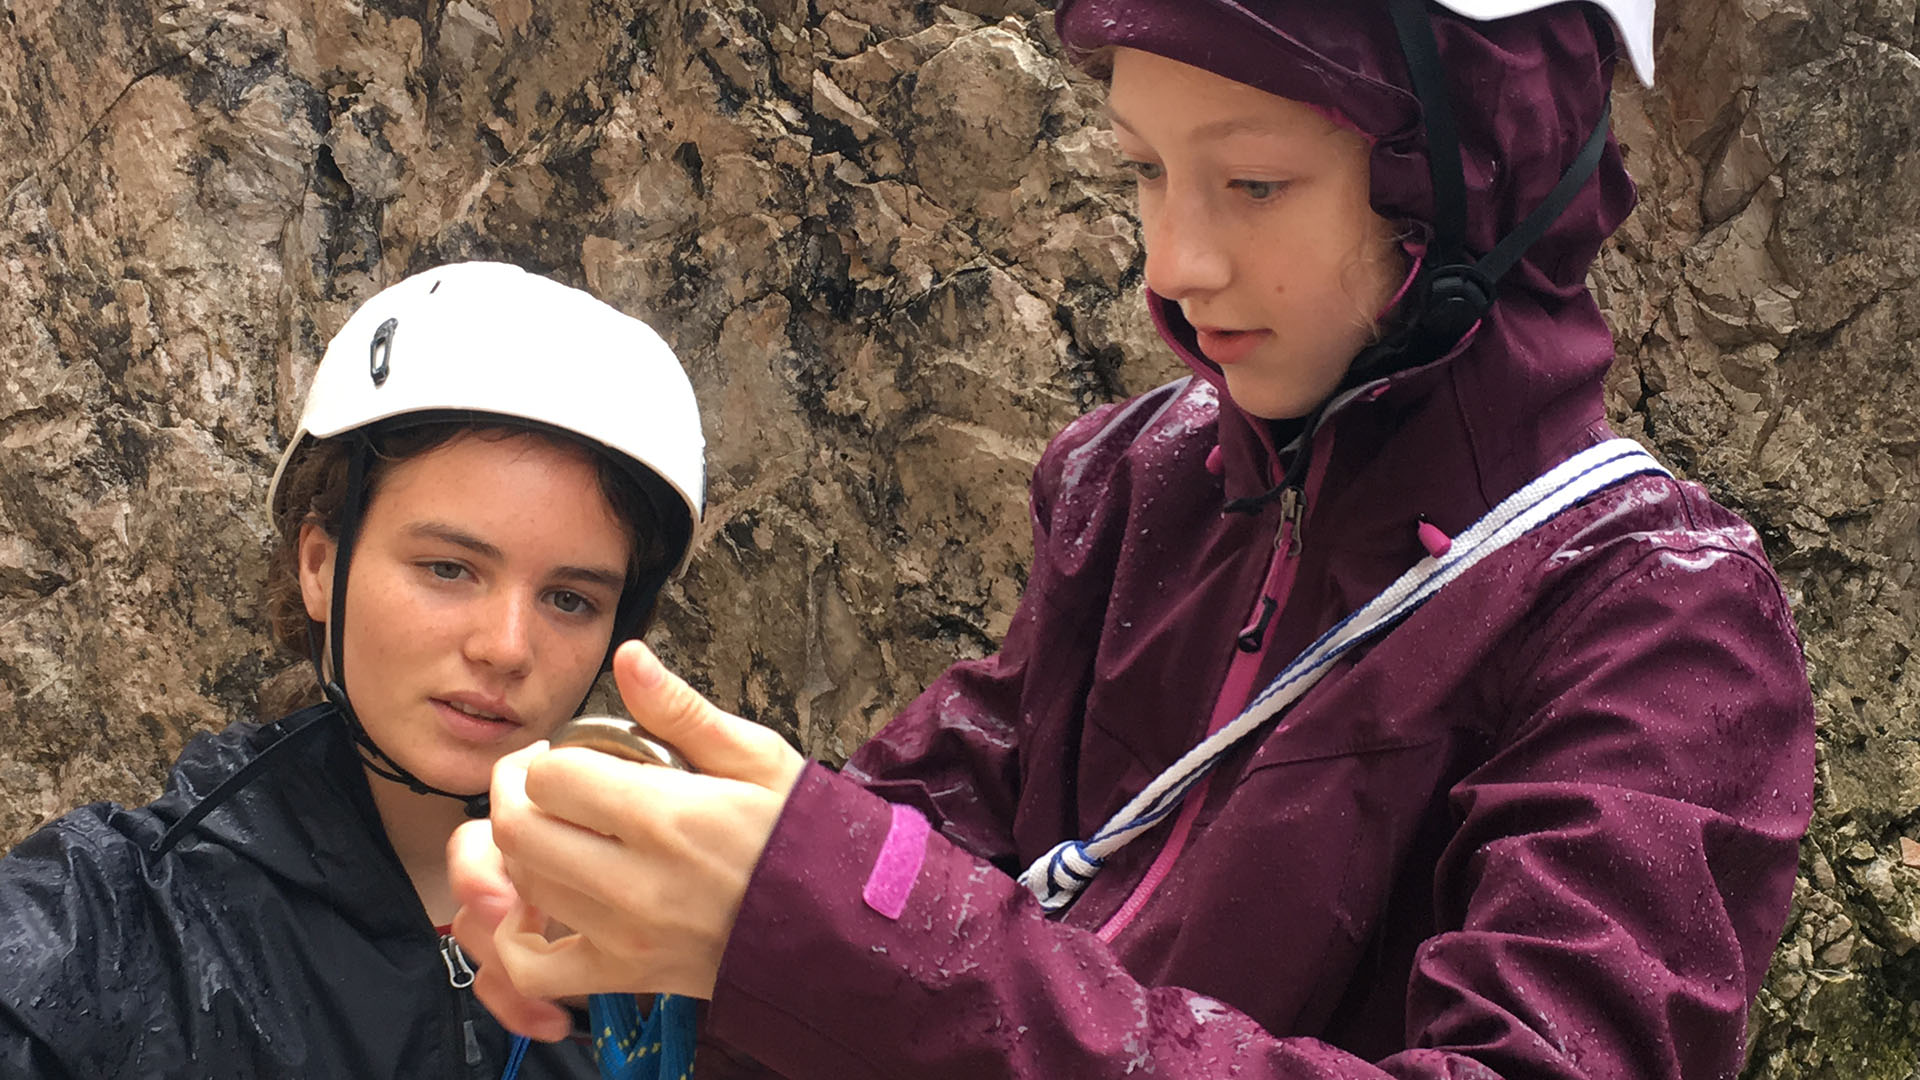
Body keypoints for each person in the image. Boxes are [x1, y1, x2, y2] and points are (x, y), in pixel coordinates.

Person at [450, 2, 1818, 1077]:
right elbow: (932, 839)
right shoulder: (1136, 483)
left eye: (1255, 184)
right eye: (1147, 172)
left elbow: (895, 937)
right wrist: (651, 894)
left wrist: (816, 928)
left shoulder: (1659, 626)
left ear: (1477, 176)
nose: (1174, 264)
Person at [0, 261, 706, 1078]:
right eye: (448, 568)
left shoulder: (668, 941)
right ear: (318, 565)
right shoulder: (111, 922)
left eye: (571, 600)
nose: (507, 647)